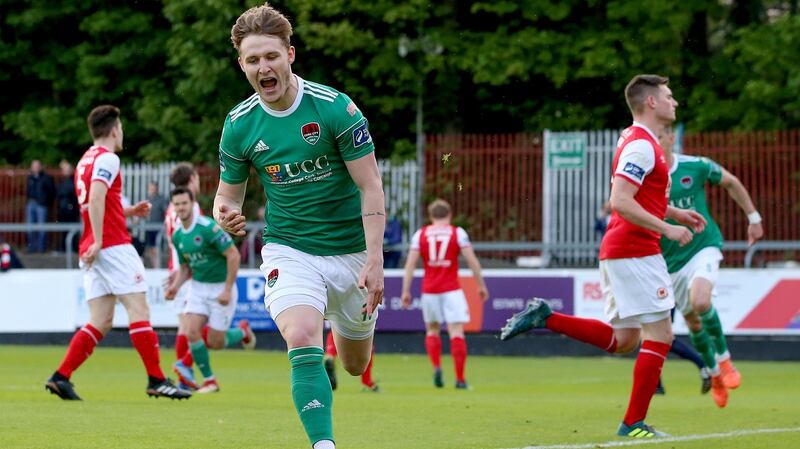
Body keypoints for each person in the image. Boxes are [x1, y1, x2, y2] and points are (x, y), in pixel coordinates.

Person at [213, 5, 385, 449]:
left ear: (290, 54)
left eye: (271, 56)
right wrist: (224, 213)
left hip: (352, 253)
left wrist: (375, 260)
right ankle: (323, 445)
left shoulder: (335, 108)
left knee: (353, 365)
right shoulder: (239, 124)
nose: (263, 67)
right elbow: (226, 196)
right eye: (252, 60)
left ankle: (345, 338)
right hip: (290, 250)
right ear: (242, 65)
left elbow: (370, 187)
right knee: (302, 334)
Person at [500, 75, 706, 438]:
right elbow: (621, 201)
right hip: (636, 250)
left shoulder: (639, 141)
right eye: (669, 96)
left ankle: (547, 317)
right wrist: (667, 228)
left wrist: (675, 213)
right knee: (661, 335)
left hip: (623, 250)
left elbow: (640, 196)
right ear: (652, 103)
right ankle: (633, 423)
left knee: (625, 340)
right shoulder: (642, 145)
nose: (675, 102)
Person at [44, 105, 191, 401]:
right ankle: (156, 379)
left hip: (91, 246)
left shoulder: (85, 159)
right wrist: (100, 240)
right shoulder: (109, 158)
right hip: (110, 245)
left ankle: (60, 377)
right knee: (140, 310)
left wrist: (127, 211)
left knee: (100, 320)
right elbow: (97, 196)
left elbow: (96, 203)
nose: (122, 132)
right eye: (120, 127)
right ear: (113, 130)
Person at [657, 125, 763, 407]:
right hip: (670, 262)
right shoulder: (643, 179)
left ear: (671, 138)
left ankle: (725, 360)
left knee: (701, 301)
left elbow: (731, 181)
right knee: (692, 321)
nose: (655, 142)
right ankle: (714, 374)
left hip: (703, 246)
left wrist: (753, 218)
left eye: (660, 136)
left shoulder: (696, 165)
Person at [165, 187, 256, 393]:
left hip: (220, 288)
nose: (181, 207)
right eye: (177, 204)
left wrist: (226, 289)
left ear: (192, 204)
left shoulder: (208, 228)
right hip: (198, 287)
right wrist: (175, 288)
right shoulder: (178, 235)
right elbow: (185, 267)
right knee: (191, 331)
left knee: (216, 342)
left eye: (184, 203)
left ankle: (242, 331)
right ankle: (210, 381)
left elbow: (233, 255)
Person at [401, 199, 489, 389]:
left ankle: (437, 366)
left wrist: (406, 290)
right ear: (449, 215)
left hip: (430, 290)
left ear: (431, 216)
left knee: (432, 330)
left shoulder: (420, 234)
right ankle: (460, 379)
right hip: (452, 290)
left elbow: (410, 264)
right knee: (456, 331)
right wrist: (481, 285)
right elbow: (472, 261)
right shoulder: (457, 233)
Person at [163, 162, 204, 389]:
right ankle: (184, 368)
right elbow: (186, 240)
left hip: (176, 269)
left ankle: (183, 379)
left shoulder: (172, 207)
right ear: (191, 180)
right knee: (200, 324)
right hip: (188, 272)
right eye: (196, 178)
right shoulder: (190, 207)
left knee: (184, 327)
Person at [26, 159, 55, 253]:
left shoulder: (46, 178)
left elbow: (52, 192)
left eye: (37, 166)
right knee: (30, 226)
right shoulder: (30, 178)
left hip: (41, 204)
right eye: (34, 166)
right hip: (31, 203)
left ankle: (41, 248)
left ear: (41, 167)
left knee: (42, 226)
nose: (35, 168)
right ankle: (32, 247)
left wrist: (45, 201)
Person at [56, 160, 80, 251]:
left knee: (72, 228)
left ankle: (73, 247)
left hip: (72, 208)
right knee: (63, 228)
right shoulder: (62, 181)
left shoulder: (74, 180)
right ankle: (63, 247)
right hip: (63, 208)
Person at [144, 181, 168, 268]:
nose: (152, 190)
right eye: (151, 188)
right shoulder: (147, 199)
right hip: (148, 228)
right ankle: (155, 266)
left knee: (156, 248)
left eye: (153, 188)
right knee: (149, 248)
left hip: (158, 228)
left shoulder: (162, 199)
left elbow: (166, 212)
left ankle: (157, 267)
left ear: (157, 188)